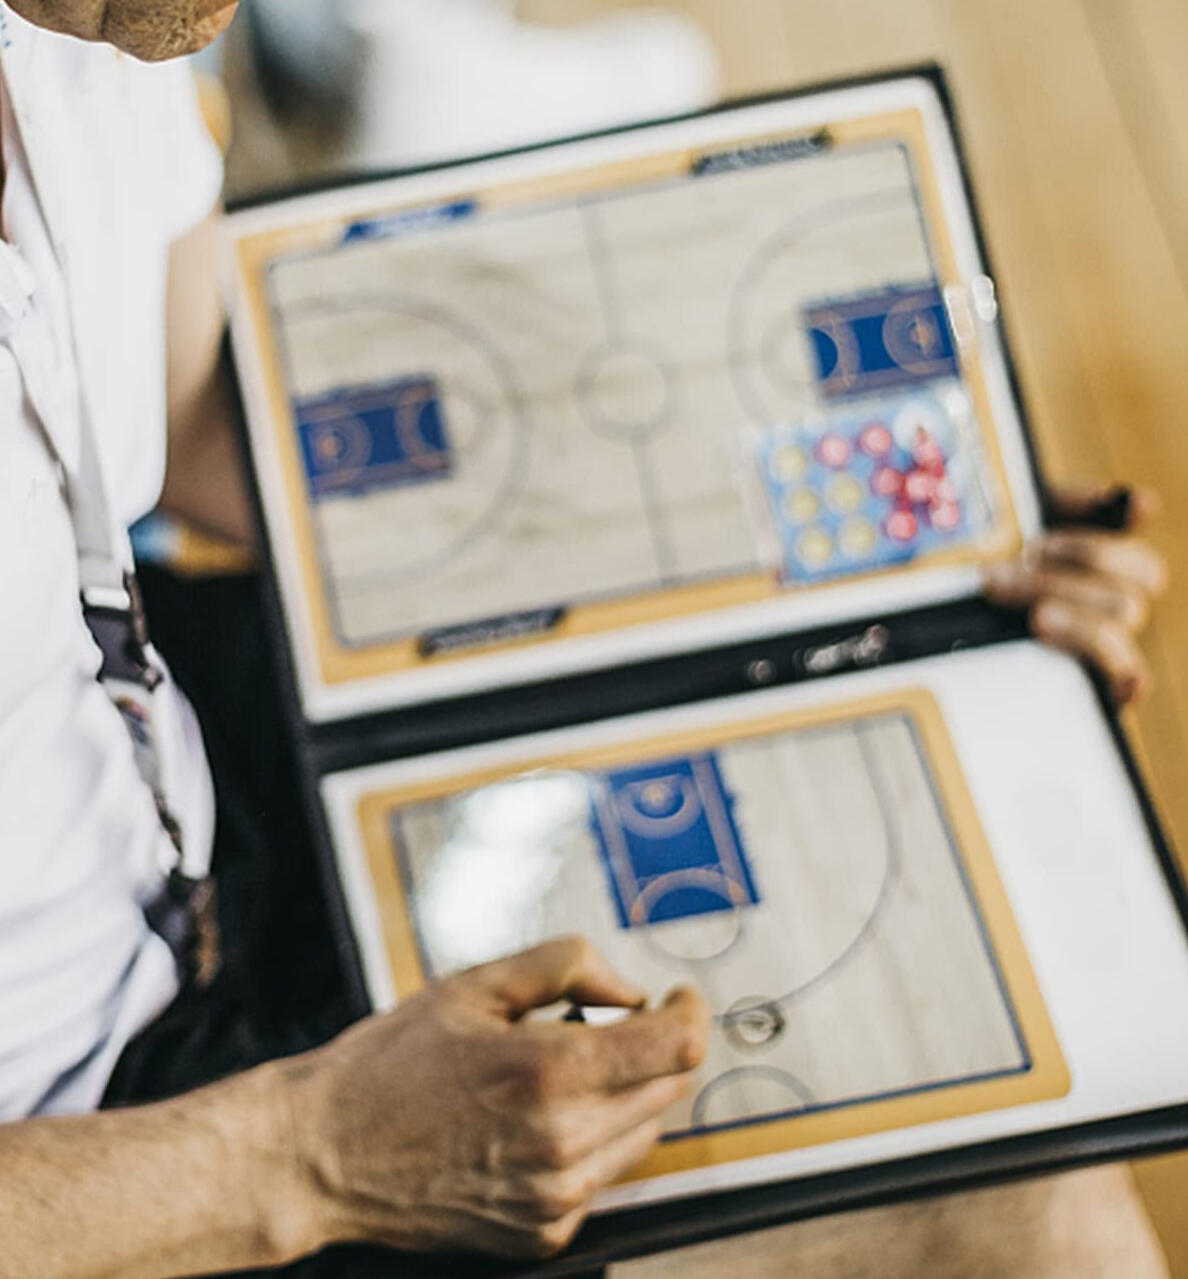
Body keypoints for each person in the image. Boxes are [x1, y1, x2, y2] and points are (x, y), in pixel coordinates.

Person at [0, 1, 1170, 1277]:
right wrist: (309, 1151)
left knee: (1034, 1205)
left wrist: (881, 524)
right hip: (85, 1162)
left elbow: (193, 418)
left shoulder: (91, 31)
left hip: (178, 796)